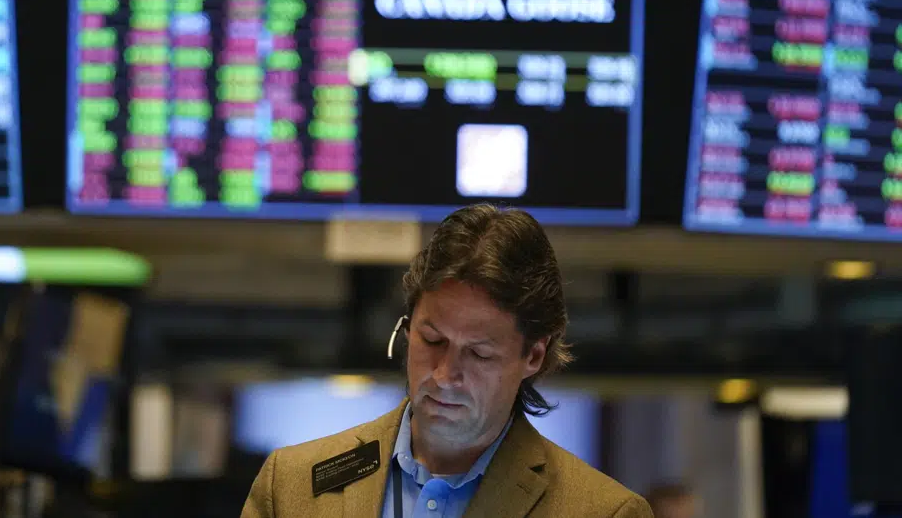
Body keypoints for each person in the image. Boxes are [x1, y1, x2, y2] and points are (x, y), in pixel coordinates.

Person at [241, 204, 652, 518]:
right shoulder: (292, 486)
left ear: (534, 355)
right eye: (432, 339)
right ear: (407, 327)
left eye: (479, 353)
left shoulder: (603, 513)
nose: (445, 375)